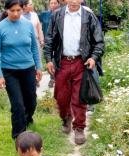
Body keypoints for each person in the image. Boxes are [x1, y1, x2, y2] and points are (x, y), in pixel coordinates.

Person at [44, 0, 104, 145]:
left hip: (80, 62)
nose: (74, 1)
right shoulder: (57, 15)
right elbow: (49, 39)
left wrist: (93, 57)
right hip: (62, 62)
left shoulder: (89, 16)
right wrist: (48, 59)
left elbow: (99, 41)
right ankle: (66, 118)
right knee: (61, 97)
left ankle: (79, 128)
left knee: (79, 97)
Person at [0, 0, 42, 139]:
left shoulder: (28, 25)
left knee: (31, 101)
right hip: (10, 71)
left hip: (28, 69)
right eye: (12, 10)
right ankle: (19, 135)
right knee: (18, 105)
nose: (15, 13)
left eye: (18, 10)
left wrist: (39, 67)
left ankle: (27, 118)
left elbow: (34, 48)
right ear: (6, 10)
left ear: (23, 9)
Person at [39, 0, 60, 88]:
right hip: (47, 41)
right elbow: (38, 25)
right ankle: (52, 77)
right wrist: (42, 39)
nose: (53, 5)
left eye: (55, 3)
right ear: (49, 4)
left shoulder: (61, 14)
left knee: (56, 60)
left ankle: (54, 78)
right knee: (49, 59)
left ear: (59, 4)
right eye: (52, 3)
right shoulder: (44, 14)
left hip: (58, 42)